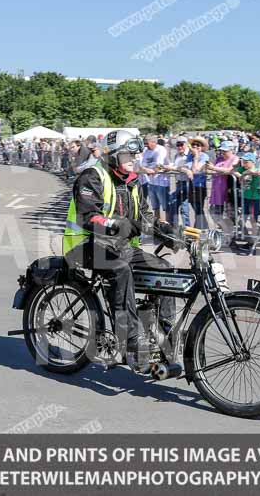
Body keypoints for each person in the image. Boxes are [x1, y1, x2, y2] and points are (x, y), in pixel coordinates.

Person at [63, 129, 176, 371]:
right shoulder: (92, 177)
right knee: (120, 270)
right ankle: (130, 341)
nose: (134, 159)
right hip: (84, 245)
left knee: (166, 270)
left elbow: (145, 217)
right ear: (113, 156)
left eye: (135, 155)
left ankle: (165, 335)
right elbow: (88, 217)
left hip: (117, 247)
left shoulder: (132, 181)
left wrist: (168, 232)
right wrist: (119, 225)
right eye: (128, 155)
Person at [207, 140, 239, 247]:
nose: (222, 153)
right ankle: (227, 234)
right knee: (214, 213)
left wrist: (213, 168)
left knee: (229, 217)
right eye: (221, 151)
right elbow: (212, 171)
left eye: (225, 151)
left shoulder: (235, 159)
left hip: (228, 192)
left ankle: (230, 237)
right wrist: (209, 168)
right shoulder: (219, 159)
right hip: (216, 191)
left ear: (231, 150)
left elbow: (229, 170)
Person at [233, 152, 260, 251]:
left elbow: (255, 172)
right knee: (242, 220)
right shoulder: (242, 169)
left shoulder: (256, 169)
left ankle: (253, 242)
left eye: (246, 162)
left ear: (253, 162)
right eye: (243, 161)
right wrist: (240, 174)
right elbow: (234, 171)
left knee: (253, 221)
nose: (244, 163)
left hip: (255, 198)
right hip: (245, 198)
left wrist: (245, 174)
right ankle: (250, 240)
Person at [140, 136, 170, 222]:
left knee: (165, 207)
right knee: (155, 207)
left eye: (147, 142)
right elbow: (142, 165)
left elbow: (159, 165)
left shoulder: (161, 150)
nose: (145, 145)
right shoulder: (146, 151)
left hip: (162, 183)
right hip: (151, 182)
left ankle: (167, 226)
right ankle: (158, 226)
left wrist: (151, 171)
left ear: (154, 142)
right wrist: (147, 170)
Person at [164, 137, 192, 227]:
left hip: (188, 183)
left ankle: (186, 229)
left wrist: (172, 168)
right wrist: (165, 167)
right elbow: (175, 166)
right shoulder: (177, 155)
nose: (179, 147)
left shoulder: (190, 155)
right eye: (178, 145)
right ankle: (177, 227)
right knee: (178, 205)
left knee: (182, 207)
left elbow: (187, 169)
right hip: (179, 182)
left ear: (186, 144)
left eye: (181, 144)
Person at [187, 136, 210, 229]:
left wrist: (196, 156)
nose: (195, 147)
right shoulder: (189, 156)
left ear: (202, 147)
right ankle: (202, 228)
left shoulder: (204, 156)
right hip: (191, 184)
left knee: (199, 208)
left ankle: (199, 229)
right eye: (193, 145)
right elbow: (187, 167)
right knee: (196, 208)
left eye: (198, 145)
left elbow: (195, 170)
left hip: (200, 186)